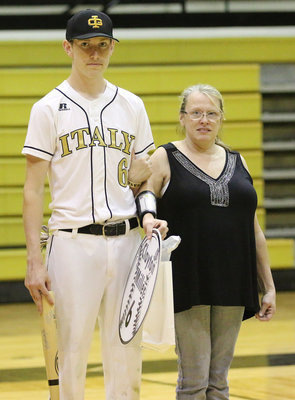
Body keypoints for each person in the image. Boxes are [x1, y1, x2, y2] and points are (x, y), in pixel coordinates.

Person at [22, 9, 167, 400]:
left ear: (112, 48)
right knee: (70, 353)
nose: (95, 53)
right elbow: (33, 190)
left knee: (126, 351)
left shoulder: (132, 105)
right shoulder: (47, 108)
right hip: (72, 244)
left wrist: (149, 213)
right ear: (68, 48)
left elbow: (145, 178)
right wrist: (34, 261)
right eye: (86, 45)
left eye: (103, 45)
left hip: (126, 241)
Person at [140, 83, 276, 399]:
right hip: (189, 281)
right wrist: (148, 218)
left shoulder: (237, 160)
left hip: (233, 280)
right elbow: (144, 195)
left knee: (219, 383)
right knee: (194, 380)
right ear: (183, 118)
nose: (204, 120)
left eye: (211, 113)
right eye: (196, 113)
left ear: (221, 118)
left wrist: (267, 285)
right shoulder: (165, 156)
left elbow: (253, 229)